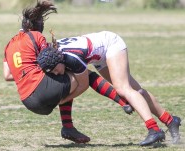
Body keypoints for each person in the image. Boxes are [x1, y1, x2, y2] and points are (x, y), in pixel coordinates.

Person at [3, 0, 133, 144]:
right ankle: (123, 102)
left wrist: (27, 73)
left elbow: (7, 75)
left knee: (63, 81)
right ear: (36, 26)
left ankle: (68, 127)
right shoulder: (35, 36)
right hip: (42, 92)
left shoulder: (8, 45)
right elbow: (51, 59)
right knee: (83, 75)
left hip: (28, 102)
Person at [37, 31, 181, 146]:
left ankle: (154, 129)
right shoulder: (56, 55)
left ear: (59, 60)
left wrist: (63, 100)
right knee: (135, 91)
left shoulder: (71, 59)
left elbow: (84, 84)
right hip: (99, 56)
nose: (56, 73)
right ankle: (170, 120)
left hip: (111, 45)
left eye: (55, 70)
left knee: (123, 89)